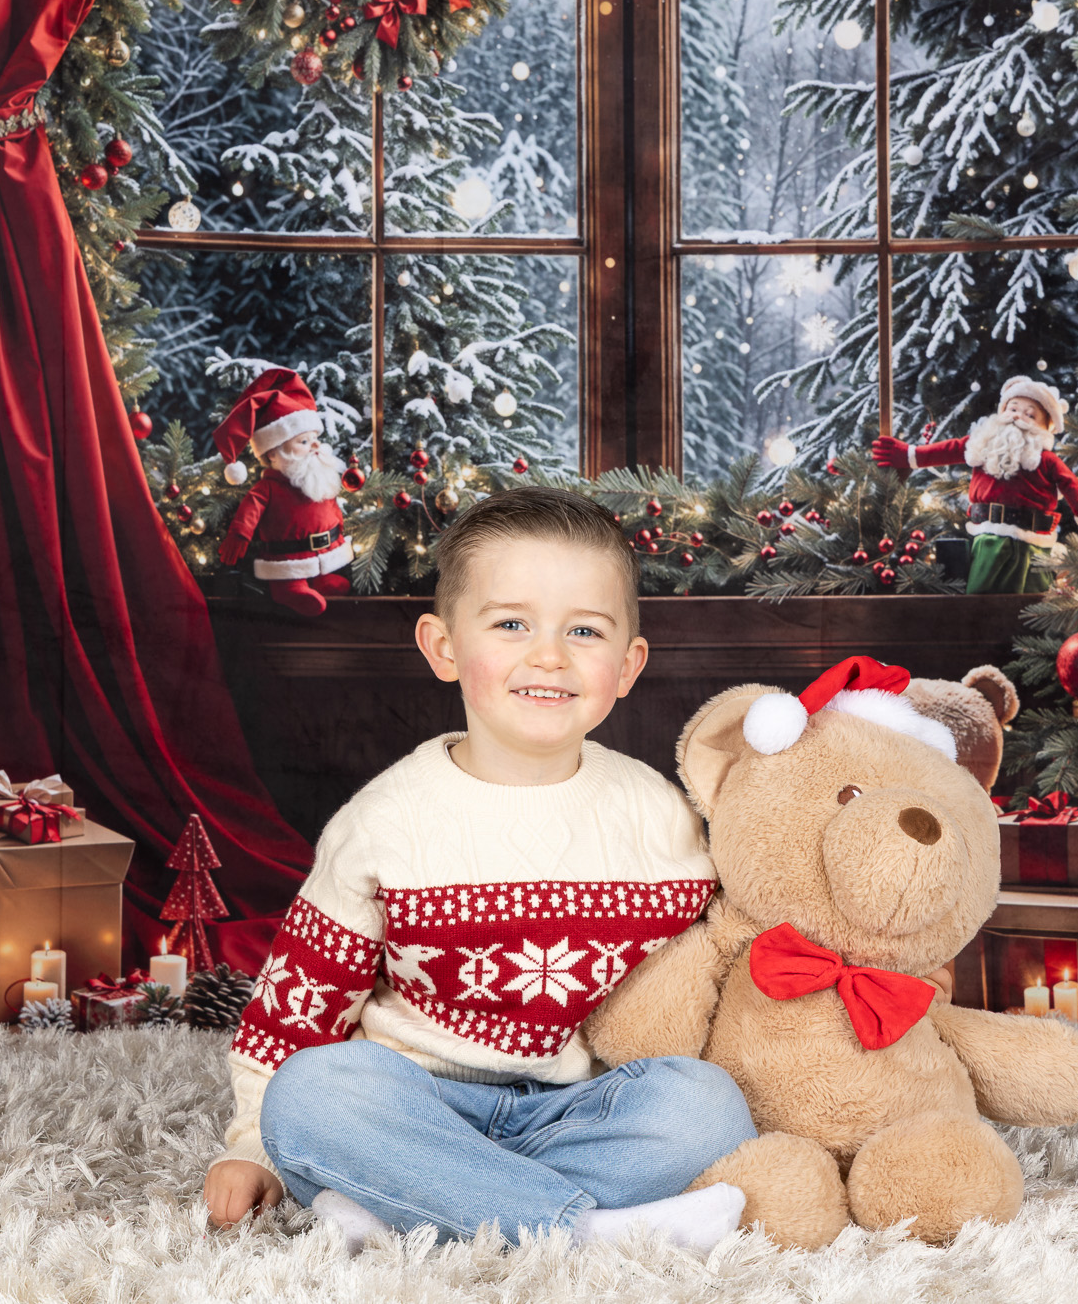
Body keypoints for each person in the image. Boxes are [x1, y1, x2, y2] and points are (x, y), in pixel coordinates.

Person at [202, 486, 756, 1252]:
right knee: (310, 1094)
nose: (549, 655)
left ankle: (418, 1202)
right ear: (443, 647)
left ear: (628, 664)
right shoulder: (385, 820)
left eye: (584, 630)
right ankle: (581, 1230)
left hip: (572, 1105)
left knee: (708, 1102)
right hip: (412, 1098)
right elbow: (296, 1006)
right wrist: (251, 1147)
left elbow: (722, 951)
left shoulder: (658, 814)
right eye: (511, 623)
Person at [871, 377, 1078, 594]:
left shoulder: (1046, 460)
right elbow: (948, 450)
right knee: (982, 593)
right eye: (1013, 408)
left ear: (1044, 427)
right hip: (988, 538)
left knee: (1033, 595)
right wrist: (910, 455)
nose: (1018, 416)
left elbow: (1070, 484)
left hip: (1033, 544)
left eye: (1030, 414)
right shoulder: (982, 445)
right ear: (1002, 411)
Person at [215, 368, 354, 617]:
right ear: (273, 453)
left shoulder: (317, 474)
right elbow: (250, 510)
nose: (315, 445)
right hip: (286, 557)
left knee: (329, 578)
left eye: (314, 438)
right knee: (289, 578)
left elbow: (330, 503)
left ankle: (323, 578)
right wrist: (240, 534)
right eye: (303, 441)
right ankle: (289, 589)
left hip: (328, 552)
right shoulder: (268, 488)